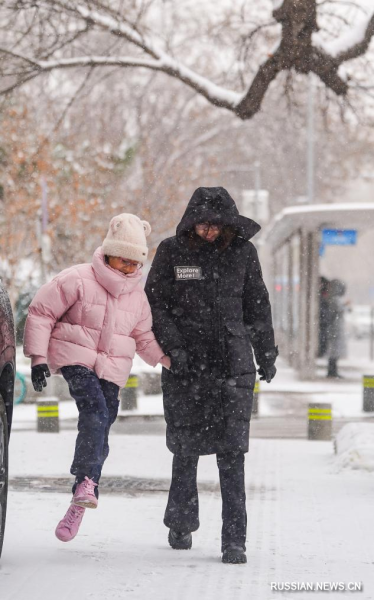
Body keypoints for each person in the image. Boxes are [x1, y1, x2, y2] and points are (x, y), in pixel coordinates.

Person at [145, 186, 278, 564]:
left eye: (216, 226)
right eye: (202, 225)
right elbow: (156, 304)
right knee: (185, 450)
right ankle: (181, 522)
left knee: (233, 455)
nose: (209, 232)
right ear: (191, 221)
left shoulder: (244, 254)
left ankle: (234, 540)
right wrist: (175, 348)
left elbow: (257, 306)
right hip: (186, 369)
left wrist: (266, 354)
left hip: (233, 368)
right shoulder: (171, 252)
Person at [23, 213, 171, 542]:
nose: (129, 269)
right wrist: (38, 358)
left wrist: (166, 360)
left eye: (135, 264)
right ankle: (85, 480)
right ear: (108, 253)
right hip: (76, 356)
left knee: (104, 422)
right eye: (123, 260)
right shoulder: (77, 278)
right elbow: (41, 312)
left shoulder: (138, 297)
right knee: (96, 411)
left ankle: (83, 491)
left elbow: (143, 336)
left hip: (112, 368)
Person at [325, 279, 347, 378]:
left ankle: (333, 370)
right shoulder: (335, 299)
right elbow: (338, 310)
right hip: (335, 330)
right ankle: (332, 371)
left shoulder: (333, 299)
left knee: (334, 351)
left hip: (335, 329)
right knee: (334, 351)